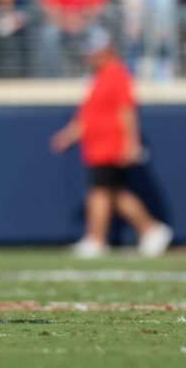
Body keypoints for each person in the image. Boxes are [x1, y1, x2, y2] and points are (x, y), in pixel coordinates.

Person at [49, 29, 174, 259]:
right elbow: (87, 117)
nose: (90, 58)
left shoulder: (118, 75)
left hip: (110, 146)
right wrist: (68, 135)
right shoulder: (99, 78)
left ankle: (97, 239)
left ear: (106, 51)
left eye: (94, 53)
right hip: (97, 148)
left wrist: (130, 143)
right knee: (115, 193)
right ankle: (151, 229)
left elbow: (127, 111)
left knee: (100, 192)